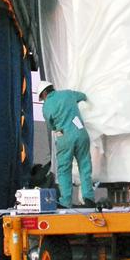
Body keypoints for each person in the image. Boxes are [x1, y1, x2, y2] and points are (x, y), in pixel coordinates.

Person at [39, 81, 96, 209]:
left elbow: (51, 126)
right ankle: (88, 198)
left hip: (64, 137)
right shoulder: (68, 94)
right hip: (81, 134)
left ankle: (65, 201)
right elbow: (83, 96)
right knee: (85, 166)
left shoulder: (47, 105)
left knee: (64, 170)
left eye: (41, 97)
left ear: (44, 94)